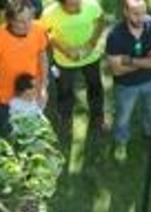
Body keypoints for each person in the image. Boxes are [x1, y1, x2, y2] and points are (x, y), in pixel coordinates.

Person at [105, 0, 151, 157]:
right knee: (123, 116)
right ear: (125, 12)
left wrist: (129, 60)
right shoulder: (115, 36)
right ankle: (121, 141)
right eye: (135, 14)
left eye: (143, 13)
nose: (141, 18)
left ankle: (150, 134)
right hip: (126, 86)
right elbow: (116, 70)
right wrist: (147, 61)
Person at [41, 0, 107, 133]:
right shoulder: (49, 14)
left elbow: (100, 21)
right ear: (61, 3)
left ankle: (97, 118)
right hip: (64, 61)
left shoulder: (92, 5)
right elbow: (45, 33)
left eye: (78, 3)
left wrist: (92, 43)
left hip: (91, 57)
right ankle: (65, 120)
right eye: (71, 5)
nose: (76, 8)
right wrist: (64, 49)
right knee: (65, 91)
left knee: (95, 88)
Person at [0, 0, 48, 137]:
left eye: (29, 19)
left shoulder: (38, 30)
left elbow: (42, 57)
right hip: (4, 97)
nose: (27, 25)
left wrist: (43, 86)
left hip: (31, 93)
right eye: (21, 21)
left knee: (31, 131)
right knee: (7, 133)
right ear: (9, 20)